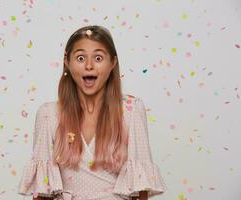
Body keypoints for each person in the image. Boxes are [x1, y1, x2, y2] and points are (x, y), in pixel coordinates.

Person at [18, 25, 167, 200]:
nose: (89, 65)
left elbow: (141, 187)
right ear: (67, 62)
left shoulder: (131, 110)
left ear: (113, 62)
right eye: (80, 58)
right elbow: (42, 191)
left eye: (98, 58)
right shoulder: (48, 115)